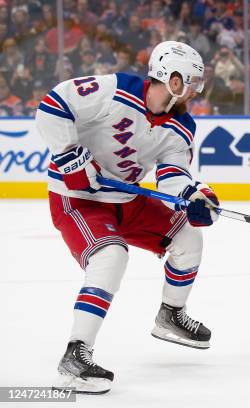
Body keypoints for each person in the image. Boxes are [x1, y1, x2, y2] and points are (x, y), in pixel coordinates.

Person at [36, 41, 218, 394]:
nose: (196, 88)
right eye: (191, 81)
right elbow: (53, 105)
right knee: (111, 256)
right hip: (78, 198)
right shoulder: (115, 89)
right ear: (172, 77)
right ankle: (76, 355)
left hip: (126, 197)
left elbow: (172, 173)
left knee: (189, 239)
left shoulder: (182, 126)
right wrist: (70, 156)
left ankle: (171, 315)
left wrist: (193, 195)